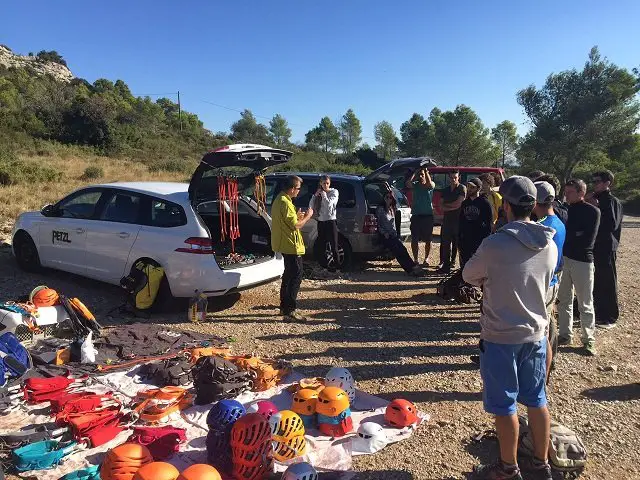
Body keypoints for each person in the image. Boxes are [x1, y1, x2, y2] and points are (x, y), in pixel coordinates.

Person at [463, 175, 556, 480]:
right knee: (537, 400)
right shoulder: (549, 242)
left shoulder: (495, 244)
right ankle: (541, 465)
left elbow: (468, 276)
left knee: (504, 406)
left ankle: (508, 468)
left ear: (505, 206)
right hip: (536, 335)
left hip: (501, 335)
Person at [557, 179, 600, 355]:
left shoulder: (592, 212)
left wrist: (570, 235)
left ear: (581, 193)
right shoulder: (565, 210)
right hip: (565, 259)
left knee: (585, 302)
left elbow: (587, 239)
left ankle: (588, 339)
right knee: (564, 300)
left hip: (583, 261)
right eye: (565, 192)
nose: (566, 195)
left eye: (570, 192)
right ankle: (565, 334)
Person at [533, 181, 566, 381]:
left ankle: (541, 379)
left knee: (540, 335)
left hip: (543, 283)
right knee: (549, 325)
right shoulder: (558, 222)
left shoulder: (542, 227)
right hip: (553, 281)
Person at [271, 175, 314, 322]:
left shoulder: (280, 200)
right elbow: (295, 225)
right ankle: (290, 309)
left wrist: (297, 216)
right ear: (291, 189)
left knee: (289, 274)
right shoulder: (285, 202)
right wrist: (307, 217)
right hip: (290, 245)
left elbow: (289, 221)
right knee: (295, 275)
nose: (298, 191)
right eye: (297, 188)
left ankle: (284, 307)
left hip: (285, 243)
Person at [588, 170, 623, 329]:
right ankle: (597, 311)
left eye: (597, 181)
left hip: (606, 247)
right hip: (595, 246)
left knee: (607, 281)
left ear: (607, 182)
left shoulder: (611, 201)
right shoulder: (595, 199)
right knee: (595, 280)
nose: (594, 184)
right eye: (593, 181)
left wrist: (598, 209)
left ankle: (609, 316)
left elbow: (611, 224)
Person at [376, 192, 425, 277]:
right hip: (385, 235)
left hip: (393, 235)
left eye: (390, 198)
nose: (388, 199)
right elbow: (378, 224)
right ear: (383, 198)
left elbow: (394, 224)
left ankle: (413, 267)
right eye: (386, 197)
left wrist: (396, 234)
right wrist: (384, 233)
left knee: (403, 249)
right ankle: (410, 269)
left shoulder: (392, 209)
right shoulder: (380, 209)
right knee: (397, 251)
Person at [458, 178, 492, 268]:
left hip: (478, 239)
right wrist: (459, 237)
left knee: (478, 264)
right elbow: (461, 220)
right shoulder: (465, 203)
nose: (469, 189)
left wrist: (486, 238)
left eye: (472, 187)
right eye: (468, 186)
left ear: (478, 188)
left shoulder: (485, 203)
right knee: (465, 263)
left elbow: (489, 223)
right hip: (466, 238)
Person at [437, 171, 466, 273]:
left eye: (455, 177)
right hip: (447, 221)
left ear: (459, 177)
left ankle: (462, 267)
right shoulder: (445, 190)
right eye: (452, 177)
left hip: (459, 221)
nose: (453, 179)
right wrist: (450, 206)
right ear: (449, 178)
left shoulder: (462, 188)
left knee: (459, 244)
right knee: (445, 243)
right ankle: (446, 265)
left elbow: (458, 204)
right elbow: (440, 206)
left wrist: (446, 206)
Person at [405, 167, 435, 266]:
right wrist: (415, 172)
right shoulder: (415, 185)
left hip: (427, 216)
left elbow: (429, 184)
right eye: (420, 175)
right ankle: (416, 259)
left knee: (428, 239)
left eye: (422, 175)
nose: (421, 177)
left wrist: (425, 171)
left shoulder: (431, 184)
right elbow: (408, 183)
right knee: (414, 238)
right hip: (416, 215)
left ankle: (426, 259)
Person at [310, 175, 340, 272]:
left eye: (327, 183)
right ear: (320, 183)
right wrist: (315, 195)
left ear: (330, 183)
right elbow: (311, 205)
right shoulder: (319, 194)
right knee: (321, 245)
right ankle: (324, 266)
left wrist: (324, 195)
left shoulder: (334, 192)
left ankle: (337, 267)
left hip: (331, 221)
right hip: (321, 221)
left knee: (334, 245)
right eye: (324, 183)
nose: (325, 185)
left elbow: (329, 204)